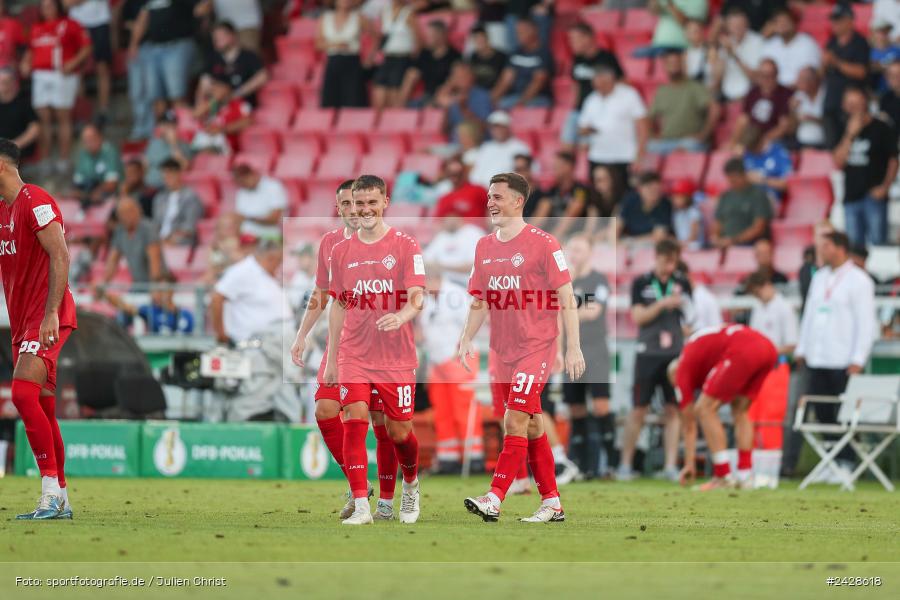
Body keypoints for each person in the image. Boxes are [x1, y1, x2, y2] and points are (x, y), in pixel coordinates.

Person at [459, 172, 584, 523]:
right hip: (502, 351)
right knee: (531, 426)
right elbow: (481, 299)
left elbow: (567, 298)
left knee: (515, 418)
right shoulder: (484, 246)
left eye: (497, 196)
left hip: (537, 346)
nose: (490, 202)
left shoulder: (545, 243)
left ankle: (494, 497)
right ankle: (553, 503)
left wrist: (572, 347)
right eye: (489, 196)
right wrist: (466, 336)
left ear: (518, 201)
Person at [324, 175, 425, 526]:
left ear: (385, 203)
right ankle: (361, 505)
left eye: (371, 203)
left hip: (395, 356)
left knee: (399, 433)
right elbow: (337, 304)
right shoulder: (341, 251)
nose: (365, 210)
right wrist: (334, 357)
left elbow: (418, 295)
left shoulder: (406, 245)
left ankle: (410, 485)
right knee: (354, 419)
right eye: (359, 203)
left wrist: (403, 316)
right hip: (354, 352)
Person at [290, 180, 395, 519]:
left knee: (384, 423)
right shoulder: (331, 244)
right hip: (342, 343)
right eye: (345, 205)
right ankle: (357, 485)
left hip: (381, 345)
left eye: (357, 203)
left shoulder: (387, 242)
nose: (352, 210)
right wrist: (302, 334)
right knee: (325, 409)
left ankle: (395, 492)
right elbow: (322, 293)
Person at [0, 138, 78, 520]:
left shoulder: (37, 200)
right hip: (21, 321)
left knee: (22, 394)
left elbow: (61, 254)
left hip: (47, 315)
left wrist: (50, 314)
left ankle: (48, 491)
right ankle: (61, 497)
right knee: (44, 406)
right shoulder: (2, 211)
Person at [795, 231, 877, 476]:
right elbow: (809, 315)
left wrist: (858, 358)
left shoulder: (860, 281)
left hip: (843, 359)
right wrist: (802, 348)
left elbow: (867, 324)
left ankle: (847, 463)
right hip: (817, 357)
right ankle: (831, 463)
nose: (822, 250)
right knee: (822, 413)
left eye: (826, 246)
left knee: (845, 414)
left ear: (840, 248)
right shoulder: (819, 277)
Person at [617, 238, 692, 482]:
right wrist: (662, 304)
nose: (670, 267)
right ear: (657, 257)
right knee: (639, 408)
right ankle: (626, 465)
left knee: (673, 409)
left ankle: (670, 465)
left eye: (673, 262)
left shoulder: (682, 283)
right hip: (648, 352)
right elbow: (638, 317)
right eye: (666, 261)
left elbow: (690, 317)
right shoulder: (642, 283)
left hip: (674, 355)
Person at [672, 323, 778, 490]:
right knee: (741, 411)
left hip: (743, 349)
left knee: (705, 409)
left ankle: (723, 475)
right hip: (768, 348)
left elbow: (689, 424)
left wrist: (688, 463)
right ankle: (745, 476)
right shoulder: (698, 349)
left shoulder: (681, 370)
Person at [422, 266, 484, 475]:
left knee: (463, 409)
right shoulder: (424, 299)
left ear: (435, 278)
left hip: (458, 359)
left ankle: (473, 457)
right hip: (437, 363)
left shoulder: (455, 295)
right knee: (442, 411)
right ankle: (448, 458)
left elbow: (472, 322)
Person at [561, 234, 614, 479]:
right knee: (576, 408)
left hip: (594, 350)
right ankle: (580, 465)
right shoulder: (564, 281)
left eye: (579, 250)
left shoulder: (598, 280)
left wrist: (567, 313)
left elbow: (593, 311)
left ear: (590, 252)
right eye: (572, 250)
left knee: (601, 406)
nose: (574, 255)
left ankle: (609, 464)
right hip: (570, 349)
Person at [22, 0, 91, 174]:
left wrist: (73, 62)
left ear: (58, 7)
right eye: (44, 6)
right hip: (40, 74)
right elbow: (31, 49)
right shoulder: (36, 28)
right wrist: (25, 62)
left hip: (62, 74)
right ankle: (45, 159)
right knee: (42, 118)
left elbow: (86, 47)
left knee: (62, 116)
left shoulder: (71, 24)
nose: (47, 9)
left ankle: (64, 158)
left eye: (51, 5)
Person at [833, 86, 898, 246]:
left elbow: (893, 160)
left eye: (856, 103)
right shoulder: (842, 127)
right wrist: (850, 134)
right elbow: (838, 162)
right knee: (854, 248)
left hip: (874, 195)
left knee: (878, 245)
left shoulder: (881, 127)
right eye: (849, 103)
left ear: (866, 103)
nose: (853, 107)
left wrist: (885, 187)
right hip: (851, 196)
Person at [127, 0, 200, 117]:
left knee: (177, 95)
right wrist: (134, 44)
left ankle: (183, 129)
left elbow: (200, 8)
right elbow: (142, 20)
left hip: (177, 45)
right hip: (154, 48)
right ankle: (161, 132)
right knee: (155, 97)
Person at [577, 65, 648, 179]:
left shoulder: (629, 95)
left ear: (610, 79)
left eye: (601, 80)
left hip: (624, 156)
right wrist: (588, 130)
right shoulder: (591, 99)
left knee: (624, 193)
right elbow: (581, 128)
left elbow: (643, 126)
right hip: (598, 156)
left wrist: (639, 155)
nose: (597, 84)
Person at [647, 49, 720, 155]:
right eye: (670, 63)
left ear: (683, 64)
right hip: (667, 142)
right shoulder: (662, 91)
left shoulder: (695, 87)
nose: (674, 67)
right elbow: (649, 118)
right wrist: (653, 135)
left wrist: (703, 135)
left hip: (689, 142)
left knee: (688, 146)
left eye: (676, 63)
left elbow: (715, 109)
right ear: (664, 66)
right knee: (650, 147)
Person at [562, 21, 623, 148]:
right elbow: (576, 84)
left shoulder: (607, 58)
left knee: (587, 147)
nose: (571, 43)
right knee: (565, 146)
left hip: (598, 112)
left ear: (588, 38)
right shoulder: (577, 59)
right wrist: (575, 106)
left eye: (574, 39)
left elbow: (621, 83)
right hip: (579, 109)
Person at [823, 4, 871, 148]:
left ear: (850, 21)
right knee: (832, 145)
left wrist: (836, 62)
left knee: (854, 145)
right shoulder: (831, 42)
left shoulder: (860, 42)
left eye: (839, 20)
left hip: (851, 106)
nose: (834, 24)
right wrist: (824, 64)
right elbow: (824, 73)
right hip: (831, 102)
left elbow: (862, 72)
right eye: (833, 20)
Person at [199, 21, 267, 108]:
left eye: (221, 36)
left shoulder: (248, 55)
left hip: (242, 105)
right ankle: (200, 114)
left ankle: (197, 115)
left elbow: (263, 76)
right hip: (217, 104)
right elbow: (205, 83)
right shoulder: (213, 59)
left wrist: (237, 94)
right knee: (211, 90)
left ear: (233, 35)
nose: (217, 39)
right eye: (215, 37)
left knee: (223, 90)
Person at [728, 59, 792, 149]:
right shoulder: (753, 92)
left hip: (773, 140)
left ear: (776, 75)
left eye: (770, 75)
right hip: (752, 137)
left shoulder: (785, 94)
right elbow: (743, 120)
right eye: (763, 75)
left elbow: (783, 127)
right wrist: (733, 143)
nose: (766, 79)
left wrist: (761, 141)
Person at [317, 0, 370, 109]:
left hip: (352, 63)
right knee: (331, 102)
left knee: (354, 101)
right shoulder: (325, 18)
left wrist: (369, 58)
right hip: (333, 63)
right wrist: (336, 44)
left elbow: (376, 37)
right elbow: (318, 44)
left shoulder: (359, 18)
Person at [709, 158, 772, 248]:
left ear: (744, 175)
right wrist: (715, 237)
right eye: (729, 178)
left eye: (735, 177)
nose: (732, 181)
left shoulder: (758, 196)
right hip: (725, 243)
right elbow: (718, 222)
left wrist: (734, 240)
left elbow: (758, 228)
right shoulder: (725, 196)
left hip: (748, 245)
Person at [66, 0, 112, 122]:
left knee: (102, 67)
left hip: (100, 21)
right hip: (76, 23)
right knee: (77, 70)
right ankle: (83, 113)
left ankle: (104, 111)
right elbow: (66, 3)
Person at [492, 18, 553, 110]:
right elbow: (506, 80)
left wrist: (522, 103)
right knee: (496, 108)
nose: (519, 35)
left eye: (523, 31)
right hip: (515, 97)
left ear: (534, 30)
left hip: (538, 98)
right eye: (518, 31)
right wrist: (491, 99)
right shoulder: (516, 53)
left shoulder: (544, 54)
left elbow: (538, 82)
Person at [529, 150, 592, 238]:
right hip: (552, 233)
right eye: (554, 166)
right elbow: (540, 215)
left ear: (569, 167)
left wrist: (552, 240)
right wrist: (528, 234)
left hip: (573, 235)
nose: (554, 169)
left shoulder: (580, 189)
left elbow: (570, 216)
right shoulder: (552, 190)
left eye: (558, 166)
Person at [104, 195, 164, 286]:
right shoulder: (120, 231)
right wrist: (104, 282)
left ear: (138, 210)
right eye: (121, 214)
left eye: (128, 212)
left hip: (159, 283)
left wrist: (155, 286)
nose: (124, 216)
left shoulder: (148, 228)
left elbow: (154, 260)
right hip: (138, 284)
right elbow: (113, 260)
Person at [708, 6, 764, 102]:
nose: (737, 28)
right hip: (727, 98)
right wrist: (720, 51)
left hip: (749, 98)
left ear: (747, 24)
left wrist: (734, 56)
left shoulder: (758, 42)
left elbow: (757, 78)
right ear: (728, 27)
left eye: (740, 25)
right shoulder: (727, 42)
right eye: (734, 25)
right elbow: (717, 80)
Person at [400, 20, 460, 107]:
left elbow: (454, 81)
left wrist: (437, 100)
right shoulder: (425, 54)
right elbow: (411, 76)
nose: (427, 39)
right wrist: (402, 103)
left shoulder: (454, 56)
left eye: (430, 36)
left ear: (441, 35)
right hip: (426, 97)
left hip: (445, 98)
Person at [371, 0, 418, 110]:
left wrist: (413, 59)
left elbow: (418, 40)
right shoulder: (384, 11)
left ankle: (395, 123)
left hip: (402, 57)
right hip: (387, 58)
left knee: (395, 98)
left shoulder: (408, 13)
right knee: (379, 94)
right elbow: (382, 35)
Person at [191, 73, 252, 155]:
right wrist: (215, 99)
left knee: (210, 146)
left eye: (217, 86)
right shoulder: (212, 105)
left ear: (226, 88)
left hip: (225, 143)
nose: (213, 89)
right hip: (206, 140)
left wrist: (222, 129)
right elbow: (196, 114)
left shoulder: (238, 104)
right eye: (213, 86)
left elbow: (248, 121)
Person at [468, 110, 531, 188]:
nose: (497, 130)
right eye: (494, 127)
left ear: (508, 127)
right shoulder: (486, 147)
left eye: (501, 127)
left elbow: (527, 173)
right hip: (478, 190)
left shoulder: (520, 147)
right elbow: (475, 171)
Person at [760, 7, 821, 88]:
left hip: (800, 91)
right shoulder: (770, 45)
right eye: (778, 22)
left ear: (794, 23)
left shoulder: (807, 43)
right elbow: (762, 73)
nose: (782, 24)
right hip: (774, 92)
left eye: (785, 21)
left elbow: (811, 75)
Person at [422, 211, 484, 288]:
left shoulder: (473, 233)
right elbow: (426, 259)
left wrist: (442, 267)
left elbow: (475, 266)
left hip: (465, 283)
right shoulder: (442, 235)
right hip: (441, 282)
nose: (446, 220)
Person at [745, 271, 799, 356]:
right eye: (755, 295)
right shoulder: (757, 307)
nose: (757, 298)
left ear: (767, 285)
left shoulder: (785, 307)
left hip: (780, 363)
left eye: (758, 293)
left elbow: (792, 345)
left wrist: (767, 352)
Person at [231, 159, 288, 240]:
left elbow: (274, 219)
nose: (242, 185)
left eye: (243, 182)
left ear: (252, 175)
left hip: (269, 236)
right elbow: (239, 219)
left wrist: (248, 218)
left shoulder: (273, 187)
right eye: (239, 184)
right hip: (246, 237)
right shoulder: (241, 192)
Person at [151, 159, 203, 246]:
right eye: (164, 176)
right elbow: (156, 224)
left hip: (181, 240)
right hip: (160, 240)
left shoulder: (191, 197)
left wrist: (168, 240)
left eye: (170, 175)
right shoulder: (159, 198)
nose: (166, 179)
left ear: (178, 173)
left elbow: (189, 227)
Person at [741, 125, 792, 208]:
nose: (752, 151)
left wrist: (762, 180)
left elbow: (786, 185)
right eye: (749, 148)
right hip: (747, 195)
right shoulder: (747, 153)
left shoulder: (779, 153)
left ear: (761, 140)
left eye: (754, 148)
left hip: (769, 198)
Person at [435, 61, 493, 135]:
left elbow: (484, 127)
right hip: (455, 143)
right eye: (456, 76)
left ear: (472, 77)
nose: (459, 79)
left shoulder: (481, 95)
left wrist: (463, 108)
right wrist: (445, 109)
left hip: (477, 143)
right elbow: (444, 131)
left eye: (463, 76)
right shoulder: (452, 97)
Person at [72, 123, 122, 207]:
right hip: (88, 192)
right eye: (85, 141)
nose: (88, 143)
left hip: (112, 194)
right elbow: (77, 181)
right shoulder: (83, 153)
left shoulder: (110, 152)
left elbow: (112, 183)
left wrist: (96, 192)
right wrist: (78, 192)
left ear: (99, 137)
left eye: (91, 139)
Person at [617, 171, 673, 242]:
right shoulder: (630, 199)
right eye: (649, 189)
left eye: (656, 189)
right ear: (640, 189)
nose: (653, 193)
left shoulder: (665, 205)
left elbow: (659, 236)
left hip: (648, 244)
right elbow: (617, 224)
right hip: (628, 239)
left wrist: (631, 241)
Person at [431, 157, 487, 225]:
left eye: (458, 173)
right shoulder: (444, 199)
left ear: (464, 172)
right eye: (451, 173)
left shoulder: (479, 190)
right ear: (446, 174)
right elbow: (437, 224)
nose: (455, 176)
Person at [144, 110, 191, 189]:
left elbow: (184, 167)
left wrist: (174, 144)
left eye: (172, 125)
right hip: (148, 186)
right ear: (160, 126)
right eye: (166, 125)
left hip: (166, 188)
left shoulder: (184, 145)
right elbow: (146, 165)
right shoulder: (153, 144)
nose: (169, 128)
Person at [0, 68, 39, 161]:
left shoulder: (24, 102)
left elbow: (35, 129)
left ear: (13, 83)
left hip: (18, 153)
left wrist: (12, 146)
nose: (2, 85)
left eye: (5, 82)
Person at [790, 66, 826, 148]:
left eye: (802, 79)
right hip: (801, 143)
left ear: (813, 81)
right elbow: (791, 126)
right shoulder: (798, 96)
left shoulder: (825, 94)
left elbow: (832, 121)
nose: (797, 82)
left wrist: (812, 119)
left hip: (823, 143)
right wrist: (791, 110)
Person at [468, 24, 508, 92]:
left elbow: (505, 80)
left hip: (495, 92)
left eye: (481, 38)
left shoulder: (501, 56)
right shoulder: (473, 56)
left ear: (487, 38)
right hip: (478, 92)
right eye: (476, 39)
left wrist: (494, 95)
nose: (479, 41)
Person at [670, 178, 703, 250]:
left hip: (694, 244)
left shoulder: (694, 211)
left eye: (679, 196)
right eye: (674, 196)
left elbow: (694, 235)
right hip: (682, 244)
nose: (675, 199)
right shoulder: (677, 214)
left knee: (693, 246)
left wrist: (683, 243)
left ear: (687, 197)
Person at [869, 19, 900, 93]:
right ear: (873, 33)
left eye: (886, 31)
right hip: (877, 91)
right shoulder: (868, 52)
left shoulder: (897, 50)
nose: (883, 34)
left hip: (895, 92)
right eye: (880, 31)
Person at [0, 0, 25, 69]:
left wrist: (20, 62)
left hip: (6, 68)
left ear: (2, 6)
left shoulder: (12, 24)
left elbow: (24, 47)